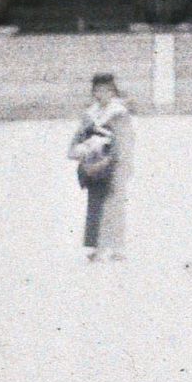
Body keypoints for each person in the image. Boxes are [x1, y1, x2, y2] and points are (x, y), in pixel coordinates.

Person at [68, 74, 135, 262]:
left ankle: (116, 247)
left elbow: (126, 140)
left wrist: (116, 160)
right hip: (94, 165)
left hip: (115, 165)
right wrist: (82, 153)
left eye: (105, 90)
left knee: (114, 205)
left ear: (112, 91)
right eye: (97, 90)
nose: (101, 94)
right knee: (95, 205)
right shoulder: (90, 114)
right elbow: (79, 138)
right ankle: (96, 247)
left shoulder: (119, 112)